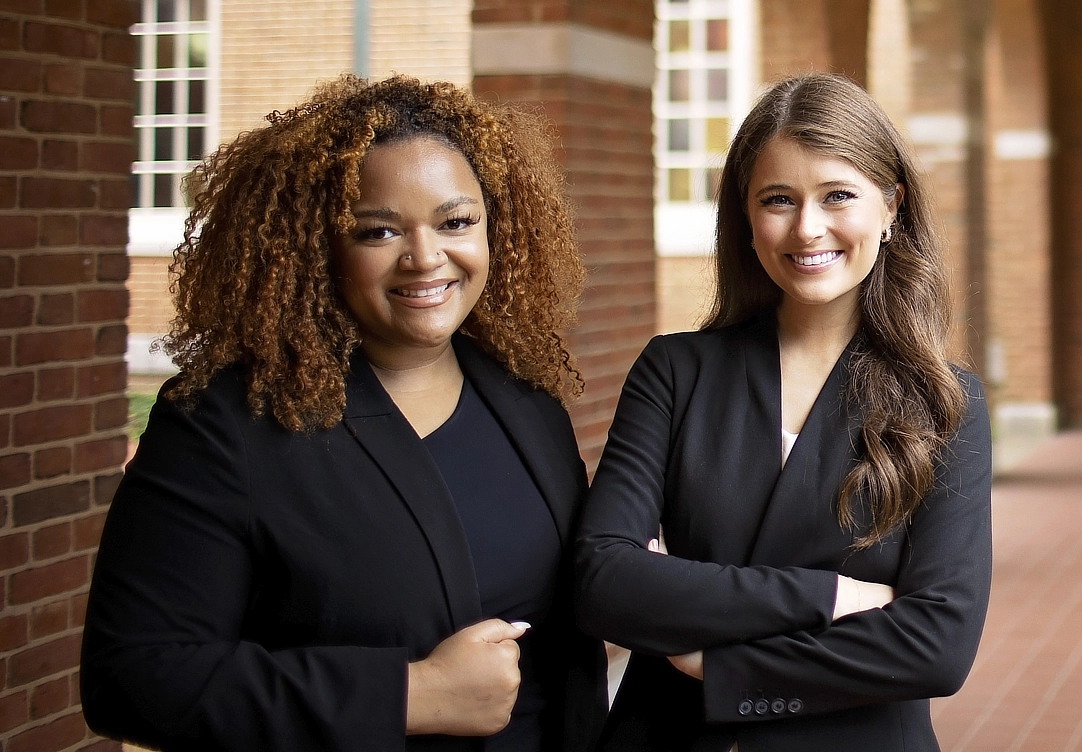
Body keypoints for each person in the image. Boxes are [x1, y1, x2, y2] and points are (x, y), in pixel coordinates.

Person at [82, 76, 608, 752]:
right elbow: (132, 678)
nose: (425, 257)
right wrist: (411, 693)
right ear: (316, 247)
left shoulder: (527, 405)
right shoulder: (224, 427)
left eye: (456, 222)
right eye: (378, 230)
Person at [577, 73, 992, 751]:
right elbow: (603, 583)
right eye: (778, 199)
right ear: (744, 216)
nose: (807, 228)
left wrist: (717, 663)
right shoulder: (675, 373)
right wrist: (830, 597)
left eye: (838, 196)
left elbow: (938, 645)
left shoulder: (945, 403)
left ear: (891, 207)